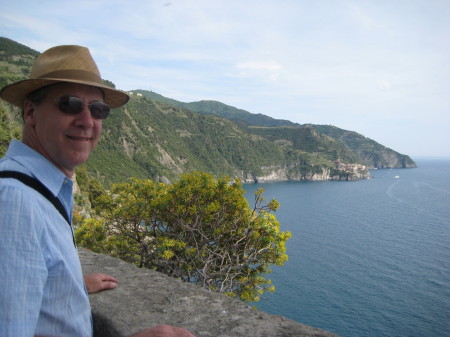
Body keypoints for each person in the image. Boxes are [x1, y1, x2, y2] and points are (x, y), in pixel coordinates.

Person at [0, 45, 195, 337]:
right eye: (69, 104)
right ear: (30, 111)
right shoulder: (15, 203)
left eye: (98, 110)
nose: (87, 121)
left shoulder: (38, 188)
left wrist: (68, 287)